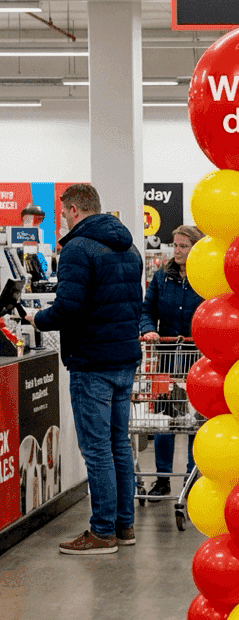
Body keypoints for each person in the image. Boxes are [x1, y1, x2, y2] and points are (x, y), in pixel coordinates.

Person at [28, 183, 143, 556]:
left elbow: (68, 309)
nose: (62, 220)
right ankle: (124, 526)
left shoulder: (78, 248)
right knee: (118, 446)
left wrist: (35, 318)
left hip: (92, 363)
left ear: (75, 209)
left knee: (96, 450)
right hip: (124, 360)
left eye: (63, 214)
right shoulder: (130, 246)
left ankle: (102, 532)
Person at [140, 224, 204, 497]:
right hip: (166, 357)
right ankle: (163, 479)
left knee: (195, 421)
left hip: (198, 359)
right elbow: (146, 310)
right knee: (165, 420)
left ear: (196, 248)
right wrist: (148, 329)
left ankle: (194, 479)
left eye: (183, 246)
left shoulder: (206, 277)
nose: (177, 251)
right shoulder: (161, 277)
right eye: (175, 246)